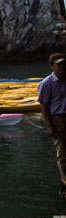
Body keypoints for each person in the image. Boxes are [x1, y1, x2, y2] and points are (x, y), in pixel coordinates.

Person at [39, 52, 66, 199]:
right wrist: (49, 127)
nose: (62, 67)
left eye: (64, 64)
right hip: (58, 118)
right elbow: (44, 106)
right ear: (52, 66)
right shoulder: (46, 83)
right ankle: (65, 182)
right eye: (59, 65)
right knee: (62, 153)